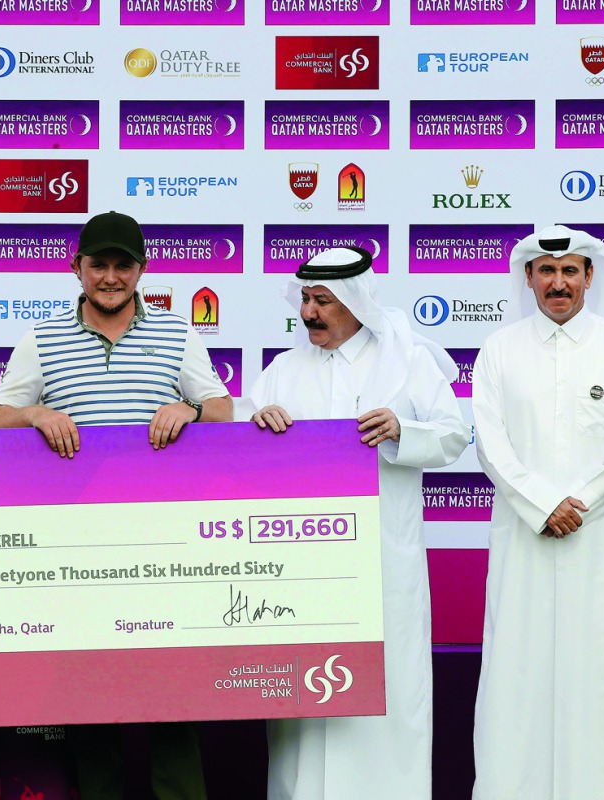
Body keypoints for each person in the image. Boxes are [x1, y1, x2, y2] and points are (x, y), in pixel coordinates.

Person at [0, 210, 231, 799]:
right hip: (79, 548)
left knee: (173, 704)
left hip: (163, 544)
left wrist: (191, 410)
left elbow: (223, 410)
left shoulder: (177, 333)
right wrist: (35, 412)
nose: (111, 276)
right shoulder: (42, 338)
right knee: (94, 710)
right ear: (77, 269)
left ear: (142, 270)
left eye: (124, 265)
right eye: (99, 264)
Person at [246, 247, 471, 800]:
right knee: (303, 704)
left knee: (389, 692)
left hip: (381, 563)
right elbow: (244, 461)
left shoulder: (406, 362)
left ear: (355, 302)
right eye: (305, 298)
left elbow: (454, 436)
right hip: (300, 571)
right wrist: (257, 423)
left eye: (323, 300)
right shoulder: (282, 370)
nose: (310, 312)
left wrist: (401, 429)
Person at [471, 226, 604, 799]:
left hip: (600, 539)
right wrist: (542, 505)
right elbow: (491, 441)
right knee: (519, 672)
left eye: (571, 270)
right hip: (525, 538)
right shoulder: (499, 349)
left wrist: (575, 507)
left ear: (589, 277)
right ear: (529, 278)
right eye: (547, 270)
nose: (559, 282)